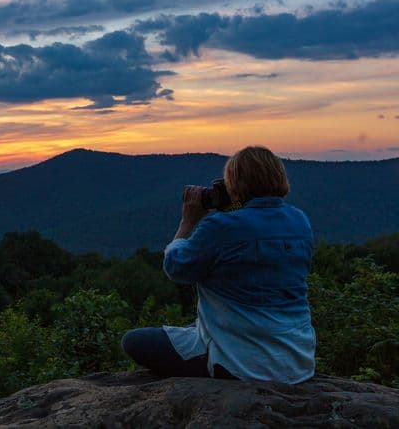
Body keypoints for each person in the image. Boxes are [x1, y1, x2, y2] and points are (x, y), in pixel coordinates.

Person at [120, 145, 316, 383]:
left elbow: (176, 268)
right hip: (297, 362)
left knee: (134, 341)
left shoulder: (222, 227)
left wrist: (187, 222)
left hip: (241, 364)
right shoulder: (300, 221)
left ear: (235, 184)